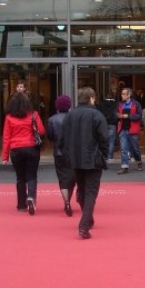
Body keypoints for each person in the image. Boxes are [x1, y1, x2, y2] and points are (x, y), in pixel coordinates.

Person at [60, 87, 109, 239]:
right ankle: (84, 224)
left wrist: (67, 153)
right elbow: (104, 138)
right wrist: (104, 154)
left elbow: (62, 138)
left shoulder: (70, 115)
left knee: (82, 190)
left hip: (75, 158)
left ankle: (88, 219)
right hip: (93, 158)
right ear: (91, 98)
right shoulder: (97, 114)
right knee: (90, 192)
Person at [2, 92, 45, 215]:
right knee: (32, 175)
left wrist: (5, 156)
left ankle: (21, 204)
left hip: (16, 149)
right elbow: (42, 131)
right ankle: (31, 197)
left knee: (20, 177)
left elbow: (6, 137)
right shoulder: (34, 115)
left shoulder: (9, 118)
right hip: (31, 148)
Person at [47, 94, 76, 217]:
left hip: (59, 152)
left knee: (62, 177)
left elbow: (50, 136)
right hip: (73, 152)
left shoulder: (52, 119)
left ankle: (66, 201)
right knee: (73, 177)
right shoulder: (74, 118)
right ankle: (69, 198)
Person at [116, 87, 143, 174]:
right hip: (123, 129)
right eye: (121, 94)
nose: (122, 95)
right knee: (123, 149)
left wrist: (128, 116)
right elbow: (115, 113)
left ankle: (139, 161)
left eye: (124, 94)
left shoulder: (136, 104)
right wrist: (118, 115)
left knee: (135, 148)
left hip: (133, 130)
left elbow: (139, 115)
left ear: (129, 95)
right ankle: (124, 167)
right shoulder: (120, 104)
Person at [98, 94, 118, 161]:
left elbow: (99, 114)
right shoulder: (116, 104)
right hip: (112, 124)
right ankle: (110, 157)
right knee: (111, 141)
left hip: (103, 124)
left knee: (103, 140)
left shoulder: (101, 104)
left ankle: (104, 156)